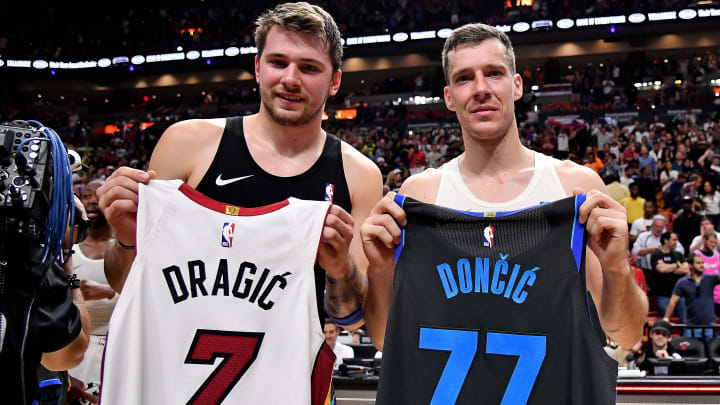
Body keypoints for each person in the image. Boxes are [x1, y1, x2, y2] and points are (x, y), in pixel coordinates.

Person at [361, 22, 646, 404]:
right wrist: (380, 270)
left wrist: (617, 269)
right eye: (464, 78)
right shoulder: (422, 195)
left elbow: (627, 334)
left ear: (516, 85)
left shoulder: (574, 187)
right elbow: (386, 339)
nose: (481, 89)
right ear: (449, 96)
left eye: (493, 73)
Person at [98, 2, 381, 329]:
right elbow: (127, 284)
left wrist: (341, 269)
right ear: (259, 68)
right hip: (184, 368)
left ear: (335, 82)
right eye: (278, 62)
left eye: (309, 68)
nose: (290, 79)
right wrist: (125, 240)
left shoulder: (359, 176)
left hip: (293, 375)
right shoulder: (187, 144)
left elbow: (351, 320)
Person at [68, 180, 117, 402]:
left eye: (98, 195)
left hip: (114, 346)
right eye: (86, 196)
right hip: (74, 345)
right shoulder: (68, 248)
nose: (92, 201)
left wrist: (108, 293)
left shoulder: (127, 247)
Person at [664, 253, 720, 343]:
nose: (702, 265)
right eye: (698, 263)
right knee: (692, 354)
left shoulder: (711, 279)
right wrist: (666, 318)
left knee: (711, 354)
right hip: (692, 326)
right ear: (690, 265)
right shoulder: (682, 282)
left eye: (702, 263)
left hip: (710, 325)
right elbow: (673, 302)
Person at [649, 232, 689, 322]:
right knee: (666, 323)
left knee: (685, 322)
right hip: (663, 296)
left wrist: (667, 267)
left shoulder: (678, 255)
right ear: (666, 240)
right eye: (674, 240)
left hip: (679, 295)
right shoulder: (656, 255)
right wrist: (677, 265)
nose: (676, 242)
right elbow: (661, 269)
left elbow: (686, 269)